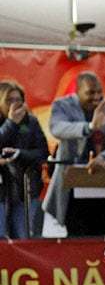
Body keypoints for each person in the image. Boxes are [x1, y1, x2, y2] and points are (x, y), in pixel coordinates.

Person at [45, 72, 105, 237]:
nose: (96, 97)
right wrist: (89, 127)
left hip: (101, 183)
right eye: (90, 93)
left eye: (99, 92)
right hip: (71, 185)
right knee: (75, 234)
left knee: (101, 231)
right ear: (78, 92)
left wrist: (104, 158)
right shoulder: (63, 106)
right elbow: (57, 128)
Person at [0, 80, 48, 238]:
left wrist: (19, 154)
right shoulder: (6, 123)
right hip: (3, 189)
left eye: (18, 100)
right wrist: (11, 123)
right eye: (9, 100)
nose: (14, 104)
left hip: (26, 189)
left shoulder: (31, 122)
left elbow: (42, 152)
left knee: (25, 237)